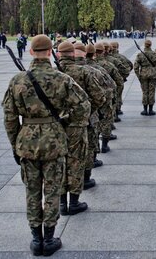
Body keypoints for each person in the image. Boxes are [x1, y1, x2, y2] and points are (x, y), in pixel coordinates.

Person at [2, 35, 91, 256]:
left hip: (28, 144)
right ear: (52, 51)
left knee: (32, 191)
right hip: (54, 143)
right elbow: (83, 106)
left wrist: (15, 144)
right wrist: (64, 122)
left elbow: (9, 117)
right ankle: (49, 239)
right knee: (52, 191)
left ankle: (36, 239)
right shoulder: (62, 79)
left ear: (31, 52)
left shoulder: (17, 81)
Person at [57, 41, 106, 217]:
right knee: (76, 162)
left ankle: (62, 203)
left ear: (58, 54)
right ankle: (74, 202)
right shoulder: (84, 71)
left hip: (55, 126)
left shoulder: (54, 73)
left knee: (59, 163)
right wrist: (84, 113)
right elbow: (100, 97)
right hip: (78, 125)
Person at [134, 39, 156, 116]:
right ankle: (150, 110)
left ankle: (144, 110)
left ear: (144, 45)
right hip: (152, 74)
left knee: (145, 92)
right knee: (151, 91)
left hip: (143, 74)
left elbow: (136, 67)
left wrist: (138, 76)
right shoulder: (155, 54)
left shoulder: (140, 55)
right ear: (150, 45)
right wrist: (155, 68)